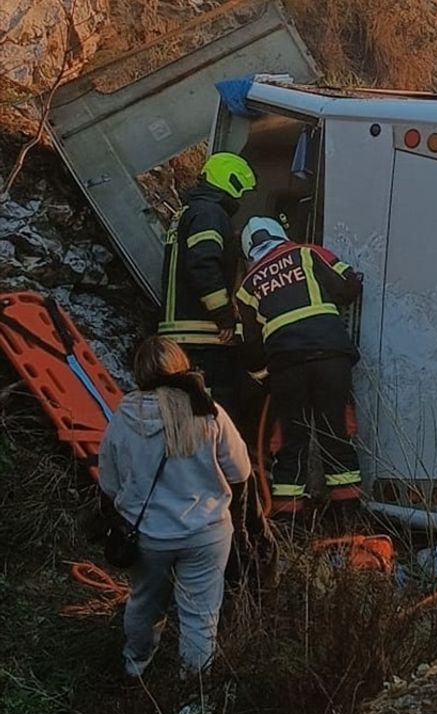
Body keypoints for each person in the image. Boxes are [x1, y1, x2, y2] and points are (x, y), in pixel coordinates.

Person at [98, 337, 250, 679]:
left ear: (139, 371)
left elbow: (108, 481)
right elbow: (241, 471)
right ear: (182, 364)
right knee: (200, 616)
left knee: (144, 605)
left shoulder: (125, 415)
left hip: (149, 536)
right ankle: (193, 693)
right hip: (207, 534)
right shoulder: (209, 410)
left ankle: (134, 670)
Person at [234, 217, 364, 516]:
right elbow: (348, 286)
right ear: (281, 234)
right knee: (336, 433)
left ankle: (287, 521)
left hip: (286, 368)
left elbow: (250, 348)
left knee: (291, 442)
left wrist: (264, 376)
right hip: (330, 358)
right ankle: (347, 517)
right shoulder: (309, 253)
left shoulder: (247, 286)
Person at [160, 152, 257, 424]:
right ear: (231, 183)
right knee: (217, 414)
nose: (240, 200)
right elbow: (203, 264)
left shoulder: (191, 212)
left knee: (191, 413)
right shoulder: (209, 213)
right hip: (201, 335)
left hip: (181, 333)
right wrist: (224, 315)